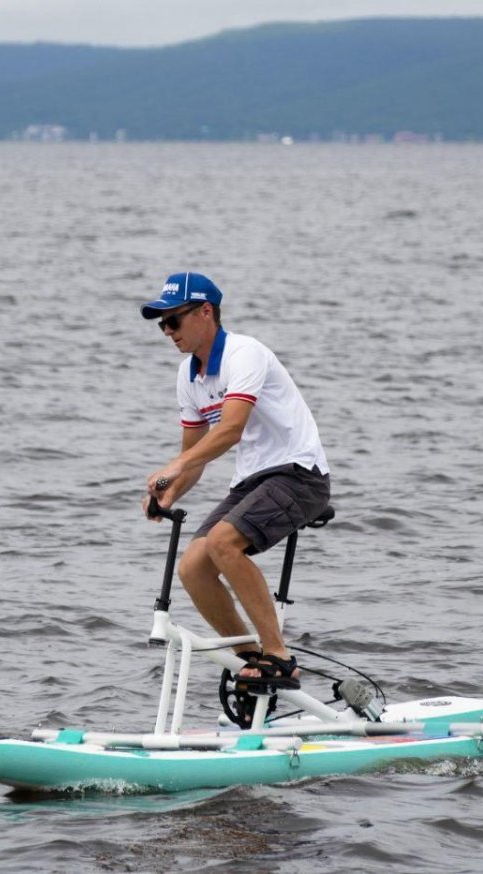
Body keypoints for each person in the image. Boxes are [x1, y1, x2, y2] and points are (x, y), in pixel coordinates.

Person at [141, 271, 331, 691]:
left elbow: (228, 431)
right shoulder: (187, 376)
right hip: (252, 481)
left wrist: (173, 466)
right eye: (162, 324)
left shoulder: (245, 354)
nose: (167, 332)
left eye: (173, 320)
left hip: (300, 474)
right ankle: (253, 659)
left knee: (224, 542)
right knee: (192, 566)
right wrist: (169, 492)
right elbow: (194, 454)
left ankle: (279, 655)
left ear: (205, 312)